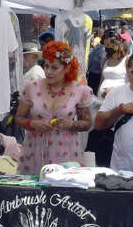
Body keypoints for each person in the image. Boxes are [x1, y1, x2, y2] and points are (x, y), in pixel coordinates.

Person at [14, 41, 93, 173]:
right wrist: (32, 123)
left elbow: (87, 123)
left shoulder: (80, 91)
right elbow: (19, 118)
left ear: (67, 68)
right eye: (46, 66)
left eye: (54, 68)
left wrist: (70, 124)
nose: (48, 71)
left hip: (66, 155)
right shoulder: (31, 87)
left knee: (64, 190)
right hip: (34, 153)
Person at [96, 30, 129, 96]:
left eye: (108, 45)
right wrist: (98, 93)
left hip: (119, 100)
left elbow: (130, 83)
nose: (106, 48)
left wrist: (113, 90)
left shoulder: (127, 59)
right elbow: (102, 79)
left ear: (117, 44)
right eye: (105, 45)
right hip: (102, 101)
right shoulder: (106, 60)